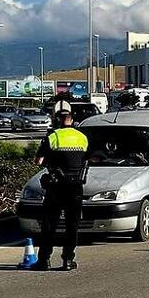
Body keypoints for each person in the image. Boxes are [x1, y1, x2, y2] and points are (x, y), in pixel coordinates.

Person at [32, 107, 89, 271]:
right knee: (72, 225)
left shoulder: (53, 137)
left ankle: (44, 260)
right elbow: (86, 158)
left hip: (56, 186)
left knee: (50, 224)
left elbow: (38, 161)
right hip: (76, 186)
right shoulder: (82, 138)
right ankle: (68, 261)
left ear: (57, 121)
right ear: (72, 120)